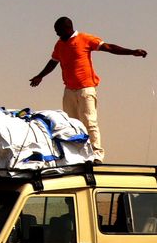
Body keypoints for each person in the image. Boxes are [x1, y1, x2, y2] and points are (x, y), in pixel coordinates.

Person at [27, 16, 147, 160]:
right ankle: (78, 156)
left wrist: (132, 51)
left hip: (86, 89)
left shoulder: (85, 38)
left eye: (58, 31)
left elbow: (108, 47)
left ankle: (96, 154)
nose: (57, 34)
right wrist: (40, 76)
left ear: (67, 28)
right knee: (70, 125)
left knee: (89, 122)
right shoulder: (59, 44)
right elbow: (53, 62)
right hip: (69, 90)